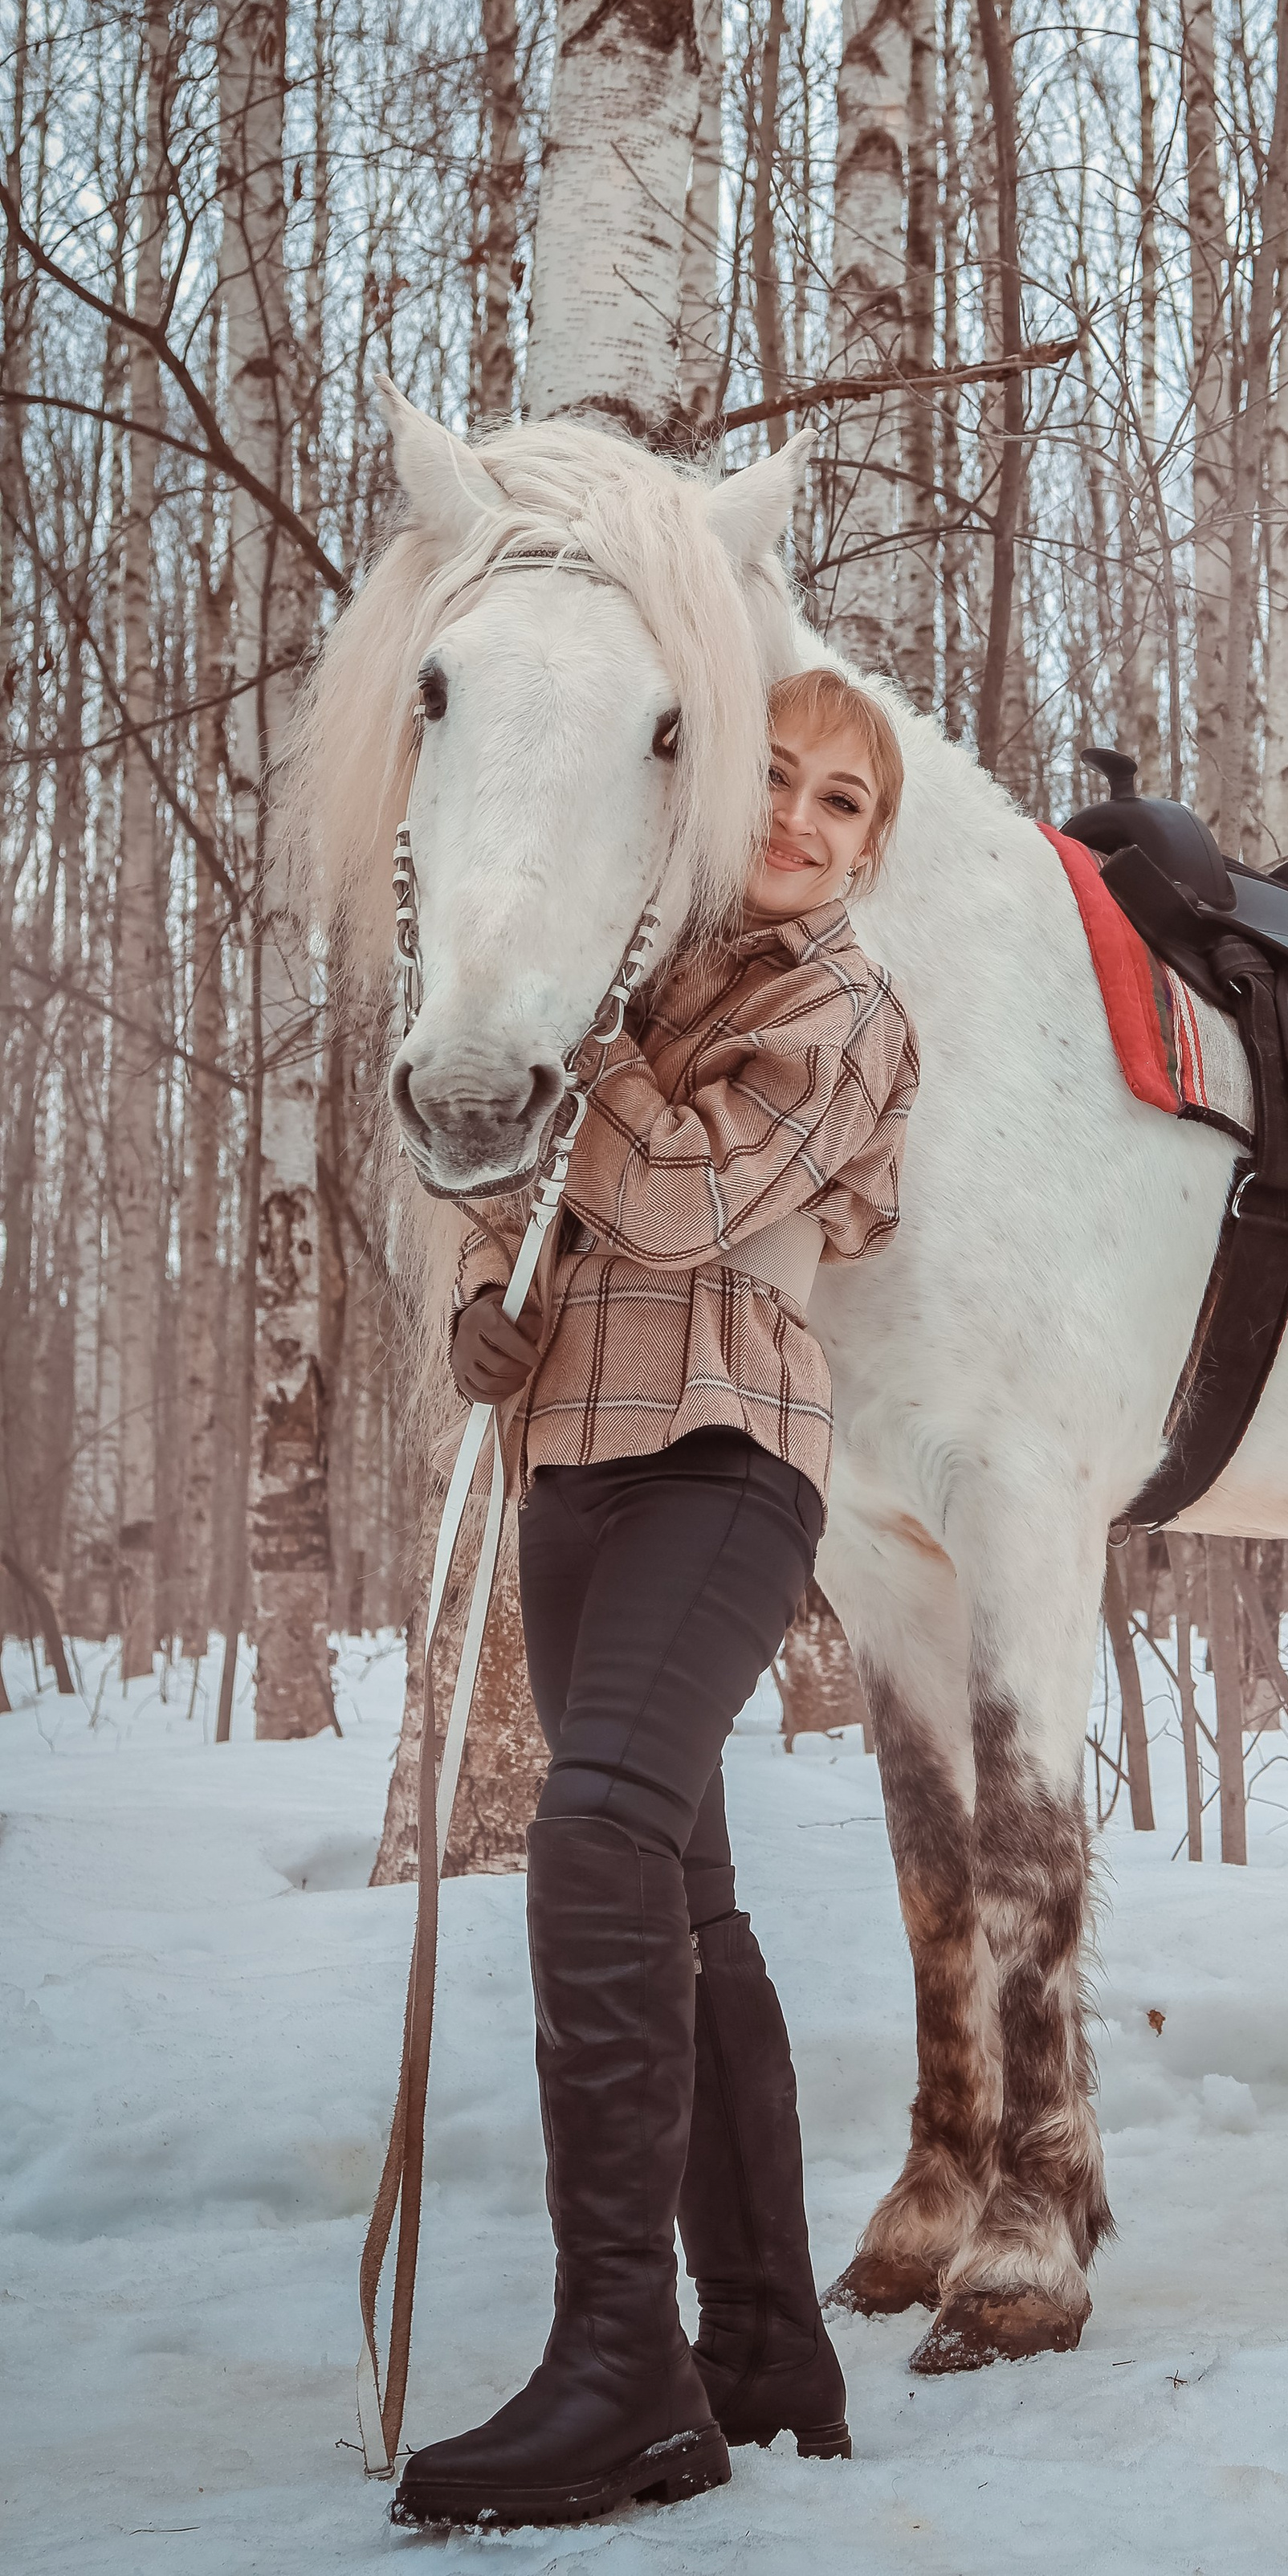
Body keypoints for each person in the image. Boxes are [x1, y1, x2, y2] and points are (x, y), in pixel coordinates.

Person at [394, 667, 919, 2532]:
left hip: (725, 1464)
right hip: (574, 1470)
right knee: (683, 1903)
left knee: (595, 1837)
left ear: (867, 847)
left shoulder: (841, 1005)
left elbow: (689, 1209)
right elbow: (525, 1213)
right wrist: (486, 1312)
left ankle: (620, 2366)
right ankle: (765, 2347)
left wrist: (591, 1038)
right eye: (769, 779)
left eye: (840, 803)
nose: (795, 817)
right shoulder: (651, 987)